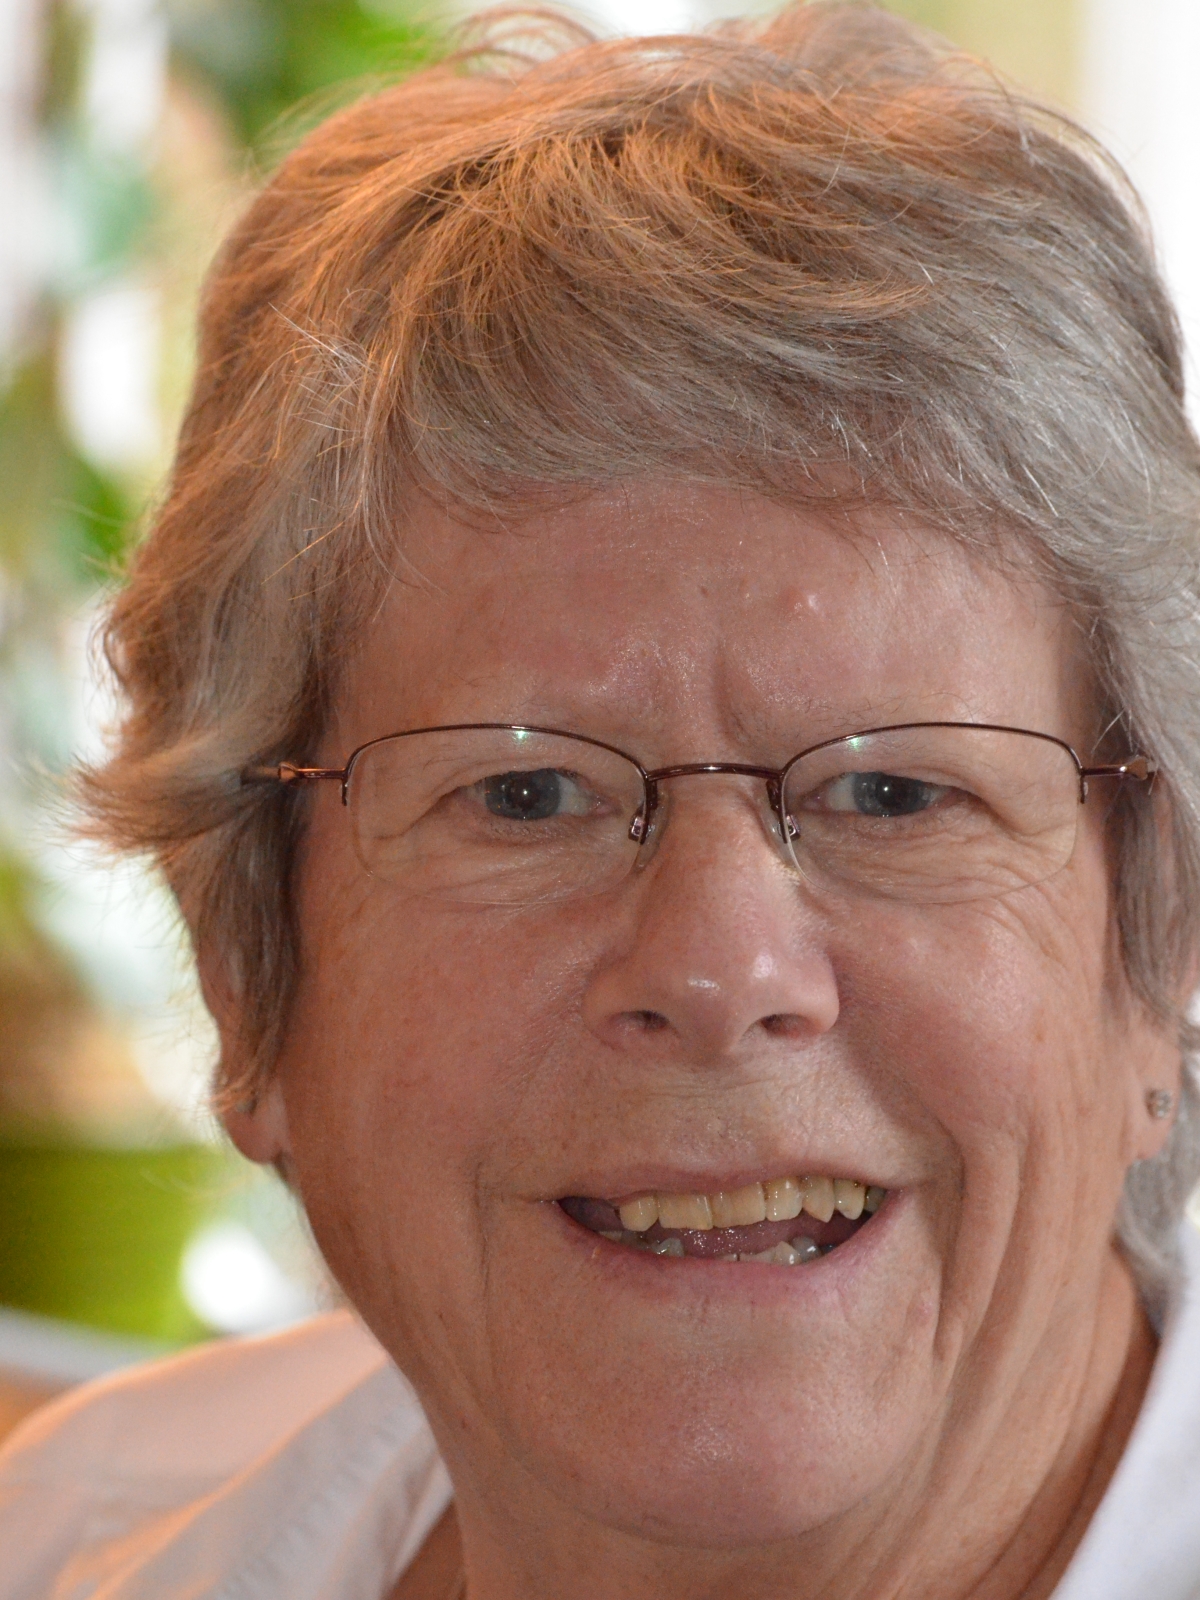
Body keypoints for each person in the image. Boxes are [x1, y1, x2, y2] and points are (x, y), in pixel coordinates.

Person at [3, 2, 1200, 1595]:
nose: (717, 967)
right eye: (525, 793)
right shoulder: (71, 1540)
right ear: (245, 967)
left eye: (894, 793)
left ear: (1155, 945)